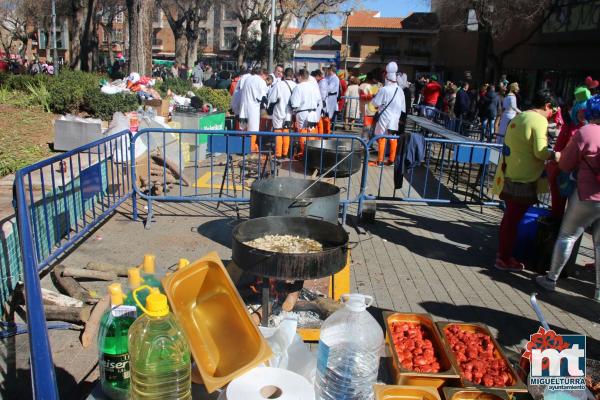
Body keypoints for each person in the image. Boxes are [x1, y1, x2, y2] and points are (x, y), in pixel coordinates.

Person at [535, 94, 600, 302]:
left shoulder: (586, 132)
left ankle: (551, 279)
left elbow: (564, 164)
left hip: (585, 194)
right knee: (599, 245)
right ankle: (598, 292)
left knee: (567, 236)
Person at [494, 89, 560, 271]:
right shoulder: (539, 120)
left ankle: (503, 254)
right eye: (552, 111)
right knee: (512, 221)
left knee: (509, 219)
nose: (552, 115)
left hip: (511, 174)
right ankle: (504, 258)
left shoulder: (520, 116)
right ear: (547, 106)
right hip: (524, 179)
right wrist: (558, 155)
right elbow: (540, 151)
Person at [546, 87, 591, 220]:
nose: (583, 115)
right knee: (557, 210)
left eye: (586, 112)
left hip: (580, 177)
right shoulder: (568, 127)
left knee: (575, 216)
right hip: (563, 173)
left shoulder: (590, 129)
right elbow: (558, 149)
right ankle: (553, 235)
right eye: (581, 111)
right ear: (576, 110)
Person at [369, 61, 405, 166]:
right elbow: (403, 107)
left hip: (384, 117)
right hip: (395, 117)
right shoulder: (400, 90)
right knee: (393, 137)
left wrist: (375, 97)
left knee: (381, 137)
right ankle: (391, 160)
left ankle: (379, 160)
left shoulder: (384, 89)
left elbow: (375, 103)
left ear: (387, 79)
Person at [290, 69, 321, 157]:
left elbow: (294, 103)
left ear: (300, 76)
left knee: (303, 133)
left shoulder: (298, 87)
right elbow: (318, 100)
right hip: (313, 112)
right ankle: (311, 153)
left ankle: (305, 153)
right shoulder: (314, 87)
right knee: (311, 133)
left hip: (302, 112)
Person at [268, 67, 297, 158]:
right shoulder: (296, 86)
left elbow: (272, 99)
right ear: (292, 75)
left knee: (278, 131)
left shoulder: (279, 85)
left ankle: (278, 154)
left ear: (284, 75)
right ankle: (285, 153)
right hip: (289, 113)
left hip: (279, 110)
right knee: (286, 131)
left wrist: (269, 109)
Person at [238, 68, 268, 152]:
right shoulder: (261, 81)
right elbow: (263, 96)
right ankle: (250, 149)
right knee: (253, 129)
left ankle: (242, 147)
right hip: (253, 108)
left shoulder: (248, 79)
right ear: (263, 75)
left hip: (244, 107)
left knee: (243, 127)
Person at [359, 72, 380, 137]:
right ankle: (365, 144)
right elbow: (363, 96)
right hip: (369, 110)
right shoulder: (368, 86)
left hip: (368, 110)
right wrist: (373, 96)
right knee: (368, 128)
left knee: (368, 128)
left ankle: (366, 144)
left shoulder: (363, 85)